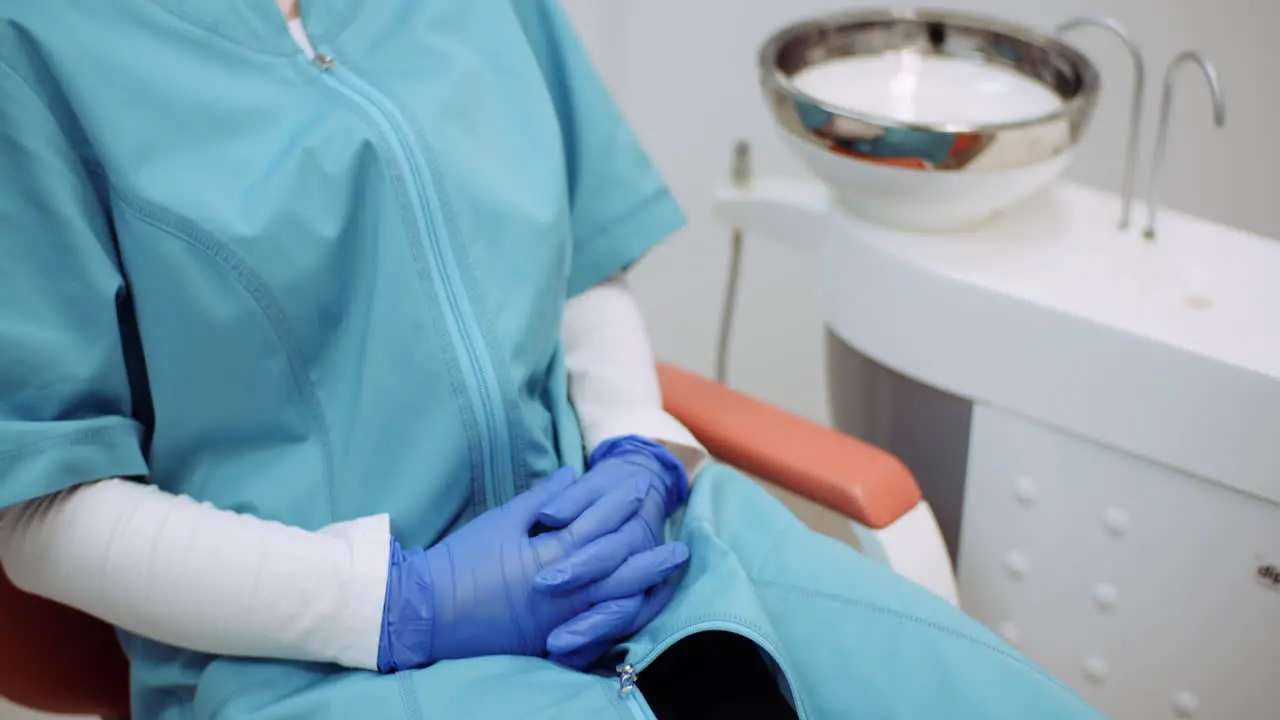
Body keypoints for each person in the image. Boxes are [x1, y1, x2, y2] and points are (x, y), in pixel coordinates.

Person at [0, 1, 1107, 718]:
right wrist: (407, 602)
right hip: (309, 659)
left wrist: (631, 442)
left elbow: (574, 266)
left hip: (642, 548)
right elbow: (42, 510)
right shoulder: (35, 44)